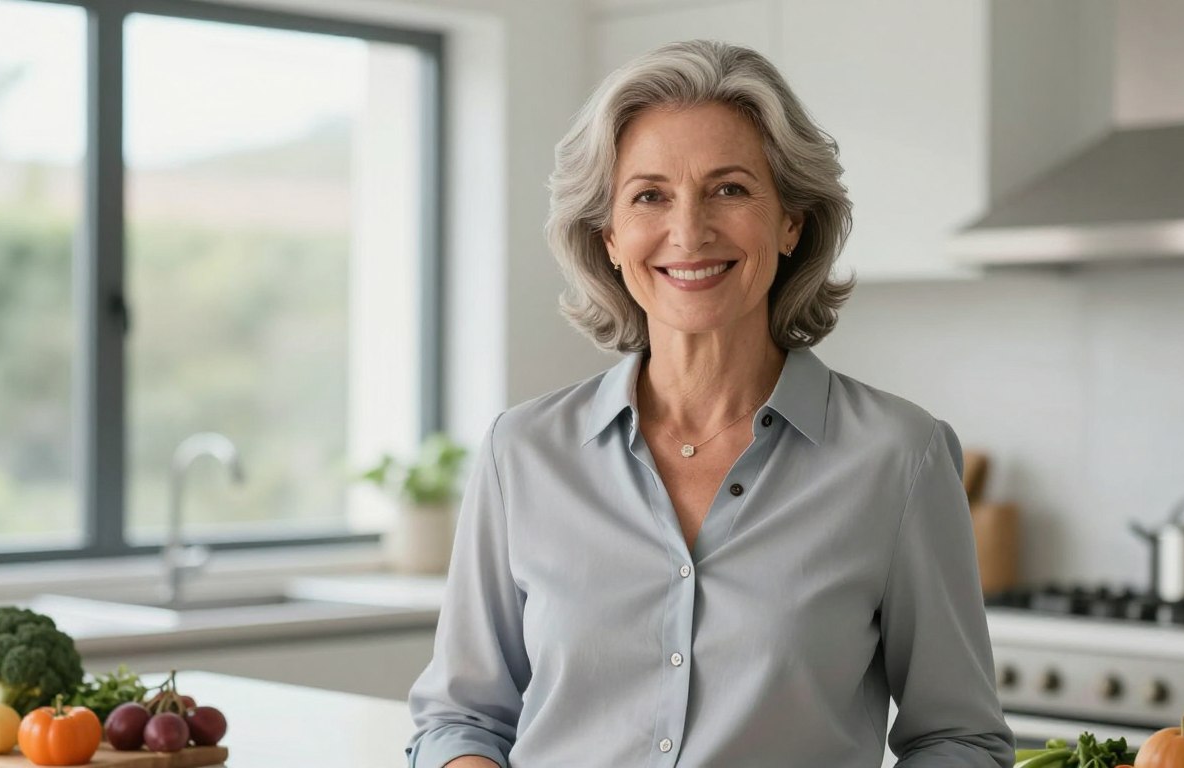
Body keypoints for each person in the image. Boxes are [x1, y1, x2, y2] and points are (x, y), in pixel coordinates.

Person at [406, 39, 1014, 767]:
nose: (688, 231)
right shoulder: (524, 450)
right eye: (649, 196)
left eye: (729, 189)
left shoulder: (899, 456)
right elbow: (461, 717)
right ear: (609, 235)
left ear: (790, 220)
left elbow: (960, 740)